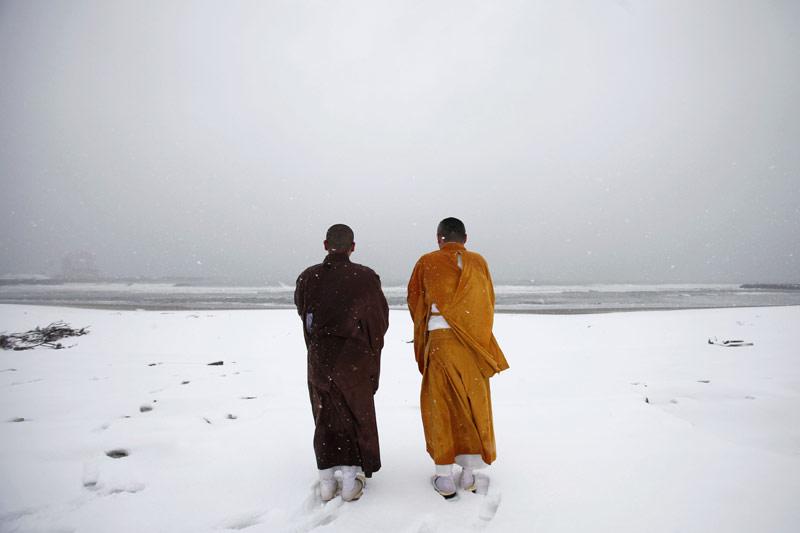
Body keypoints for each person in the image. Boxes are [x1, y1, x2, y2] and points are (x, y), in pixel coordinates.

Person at [407, 217, 509, 499]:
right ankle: (468, 472)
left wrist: (428, 329)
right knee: (471, 404)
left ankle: (444, 475)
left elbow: (416, 302)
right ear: (465, 238)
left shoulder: (427, 262)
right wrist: (472, 330)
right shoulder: (479, 263)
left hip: (441, 343)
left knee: (440, 405)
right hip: (474, 343)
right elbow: (488, 303)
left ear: (439, 237)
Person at [295, 224, 389, 502]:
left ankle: (326, 480)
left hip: (320, 356)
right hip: (354, 357)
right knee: (354, 412)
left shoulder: (308, 277)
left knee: (324, 413)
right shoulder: (365, 277)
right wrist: (369, 350)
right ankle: (350, 481)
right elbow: (378, 321)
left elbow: (305, 315)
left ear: (326, 245)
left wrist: (317, 345)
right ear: (352, 247)